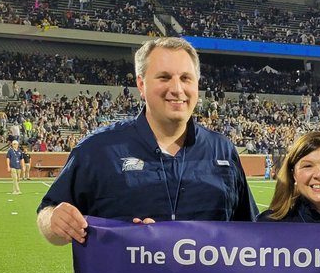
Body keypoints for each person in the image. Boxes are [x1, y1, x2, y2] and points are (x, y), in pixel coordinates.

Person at [37, 37, 257, 246]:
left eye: (185, 78)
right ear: (141, 85)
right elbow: (49, 213)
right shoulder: (97, 150)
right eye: (164, 77)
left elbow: (251, 229)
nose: (177, 89)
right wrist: (55, 220)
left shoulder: (222, 150)